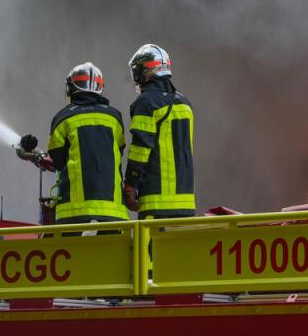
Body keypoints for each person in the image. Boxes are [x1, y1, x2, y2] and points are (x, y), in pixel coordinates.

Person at [17, 62, 130, 226]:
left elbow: (57, 161)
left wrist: (34, 155)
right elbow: (117, 152)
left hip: (74, 214)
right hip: (113, 213)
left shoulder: (62, 118)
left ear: (70, 88)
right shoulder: (115, 117)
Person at [124, 44, 196, 219]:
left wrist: (131, 184)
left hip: (156, 203)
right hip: (185, 202)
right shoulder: (184, 103)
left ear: (142, 71)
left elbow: (140, 149)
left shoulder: (146, 103)